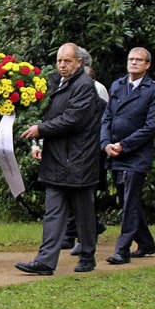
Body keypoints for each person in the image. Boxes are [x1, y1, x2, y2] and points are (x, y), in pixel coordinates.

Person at [16, 43, 103, 275]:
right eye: (59, 61)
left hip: (79, 161)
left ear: (78, 63)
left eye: (67, 61)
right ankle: (45, 262)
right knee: (53, 212)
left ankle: (87, 255)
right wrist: (39, 140)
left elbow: (73, 119)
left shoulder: (85, 85)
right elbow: (49, 114)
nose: (62, 65)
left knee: (83, 213)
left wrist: (40, 130)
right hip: (56, 159)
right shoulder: (54, 82)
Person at [102, 47, 155, 264]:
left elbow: (151, 126)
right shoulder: (117, 85)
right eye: (131, 59)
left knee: (129, 201)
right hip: (115, 153)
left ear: (147, 65)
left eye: (139, 60)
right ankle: (146, 242)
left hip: (136, 154)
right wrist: (106, 143)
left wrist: (124, 145)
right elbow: (107, 117)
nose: (134, 63)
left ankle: (122, 249)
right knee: (127, 200)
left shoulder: (153, 91)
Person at [63, 47, 107, 255]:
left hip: (89, 151)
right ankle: (74, 233)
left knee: (84, 198)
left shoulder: (96, 89)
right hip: (68, 152)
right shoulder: (64, 86)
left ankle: (85, 237)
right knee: (72, 196)